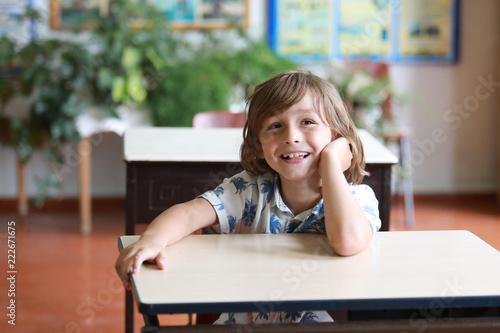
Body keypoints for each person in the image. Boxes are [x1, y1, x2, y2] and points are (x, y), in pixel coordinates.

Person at [115, 69, 381, 324]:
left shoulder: (358, 199)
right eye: (275, 126)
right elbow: (189, 213)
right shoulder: (248, 191)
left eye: (308, 122)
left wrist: (331, 162)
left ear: (337, 136)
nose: (292, 136)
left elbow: (348, 241)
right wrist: (151, 240)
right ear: (259, 146)